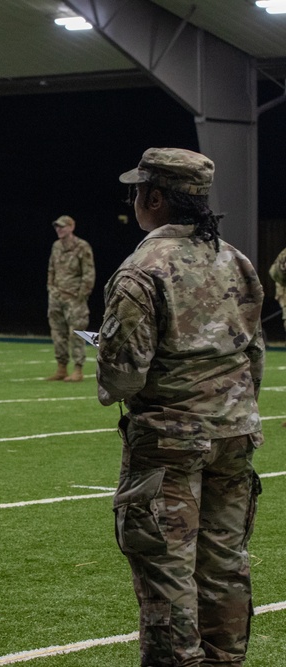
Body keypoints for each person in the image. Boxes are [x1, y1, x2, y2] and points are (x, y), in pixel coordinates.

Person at [97, 147, 264, 667]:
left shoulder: (142, 269)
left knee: (167, 569)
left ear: (153, 197)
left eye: (137, 192)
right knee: (224, 565)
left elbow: (124, 376)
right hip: (234, 435)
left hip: (170, 440)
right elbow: (252, 354)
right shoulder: (234, 259)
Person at [46, 214, 95, 381]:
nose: (59, 229)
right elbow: (51, 268)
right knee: (57, 333)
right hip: (56, 297)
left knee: (77, 333)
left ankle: (78, 369)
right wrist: (51, 288)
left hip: (75, 298)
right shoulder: (56, 246)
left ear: (71, 227)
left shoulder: (82, 247)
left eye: (62, 226)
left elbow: (88, 273)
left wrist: (81, 295)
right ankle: (61, 368)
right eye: (57, 227)